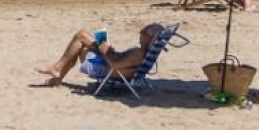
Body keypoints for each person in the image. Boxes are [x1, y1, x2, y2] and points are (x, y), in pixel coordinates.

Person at [35, 23, 165, 86]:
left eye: (143, 32)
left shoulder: (138, 54)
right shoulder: (141, 53)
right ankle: (58, 76)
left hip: (105, 69)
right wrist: (109, 49)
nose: (140, 34)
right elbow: (120, 61)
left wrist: (105, 50)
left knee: (81, 35)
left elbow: (114, 65)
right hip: (109, 63)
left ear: (150, 38)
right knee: (82, 42)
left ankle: (57, 69)